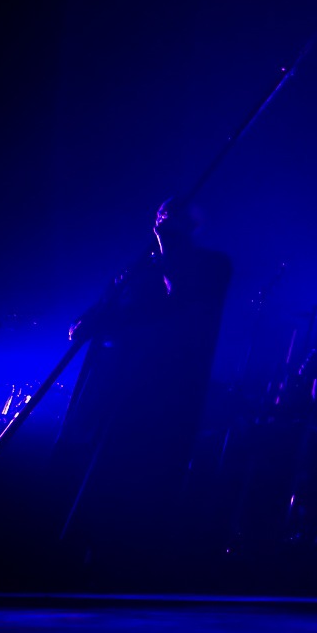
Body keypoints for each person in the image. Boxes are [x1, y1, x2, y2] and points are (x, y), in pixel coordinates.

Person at [54, 197, 232, 573]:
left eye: (176, 214)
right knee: (86, 461)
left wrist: (169, 246)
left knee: (133, 468)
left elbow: (184, 298)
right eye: (163, 213)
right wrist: (84, 322)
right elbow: (106, 306)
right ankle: (71, 552)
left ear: (195, 224)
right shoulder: (137, 267)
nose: (165, 219)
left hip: (160, 389)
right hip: (110, 378)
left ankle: (121, 561)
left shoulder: (212, 264)